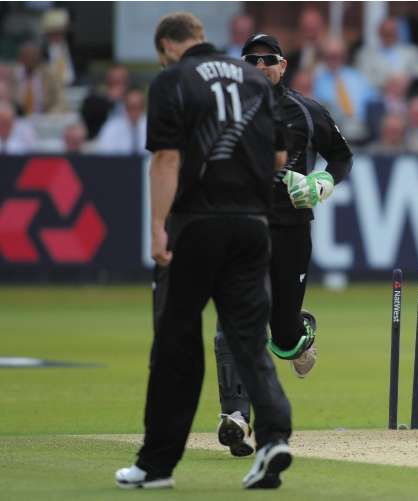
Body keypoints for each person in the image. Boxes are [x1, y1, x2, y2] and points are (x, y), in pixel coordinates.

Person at [115, 12, 292, 490]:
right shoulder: (255, 81)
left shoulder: (172, 80)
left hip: (197, 225)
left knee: (177, 343)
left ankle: (156, 465)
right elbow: (279, 157)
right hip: (254, 226)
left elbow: (167, 158)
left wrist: (157, 226)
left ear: (167, 46)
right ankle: (274, 439)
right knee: (249, 342)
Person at [212, 33, 352, 458]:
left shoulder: (307, 111)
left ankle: (299, 334)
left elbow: (341, 156)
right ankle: (236, 416)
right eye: (250, 60)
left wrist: (320, 183)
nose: (260, 67)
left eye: (267, 60)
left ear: (283, 65)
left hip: (291, 229)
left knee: (283, 334)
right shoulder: (223, 112)